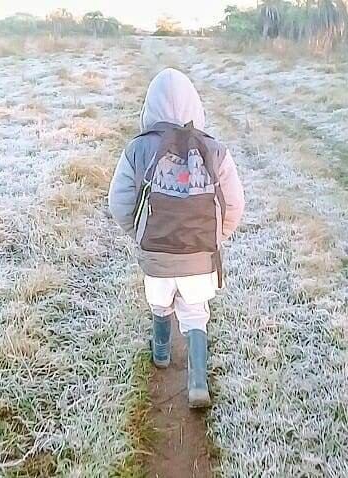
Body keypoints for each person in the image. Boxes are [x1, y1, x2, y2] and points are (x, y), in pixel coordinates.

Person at [108, 68, 244, 408]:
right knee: (196, 312)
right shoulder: (214, 150)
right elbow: (234, 205)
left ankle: (161, 353)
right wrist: (213, 240)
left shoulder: (137, 149)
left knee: (159, 302)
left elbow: (119, 203)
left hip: (155, 254)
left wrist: (139, 236)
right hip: (200, 256)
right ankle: (198, 380)